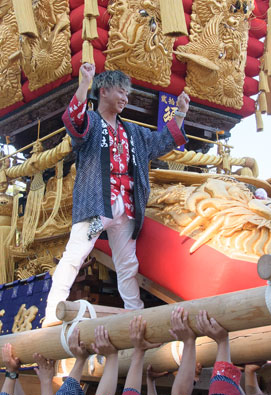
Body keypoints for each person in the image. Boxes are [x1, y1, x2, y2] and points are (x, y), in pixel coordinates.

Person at [43, 65, 188, 325]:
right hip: (99, 207)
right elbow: (73, 120)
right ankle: (53, 311)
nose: (125, 98)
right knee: (76, 254)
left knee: (127, 263)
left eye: (127, 94)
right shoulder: (90, 123)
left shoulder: (133, 132)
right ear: (104, 90)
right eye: (121, 91)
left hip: (125, 208)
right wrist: (84, 83)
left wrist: (179, 114)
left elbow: (161, 142)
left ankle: (135, 313)